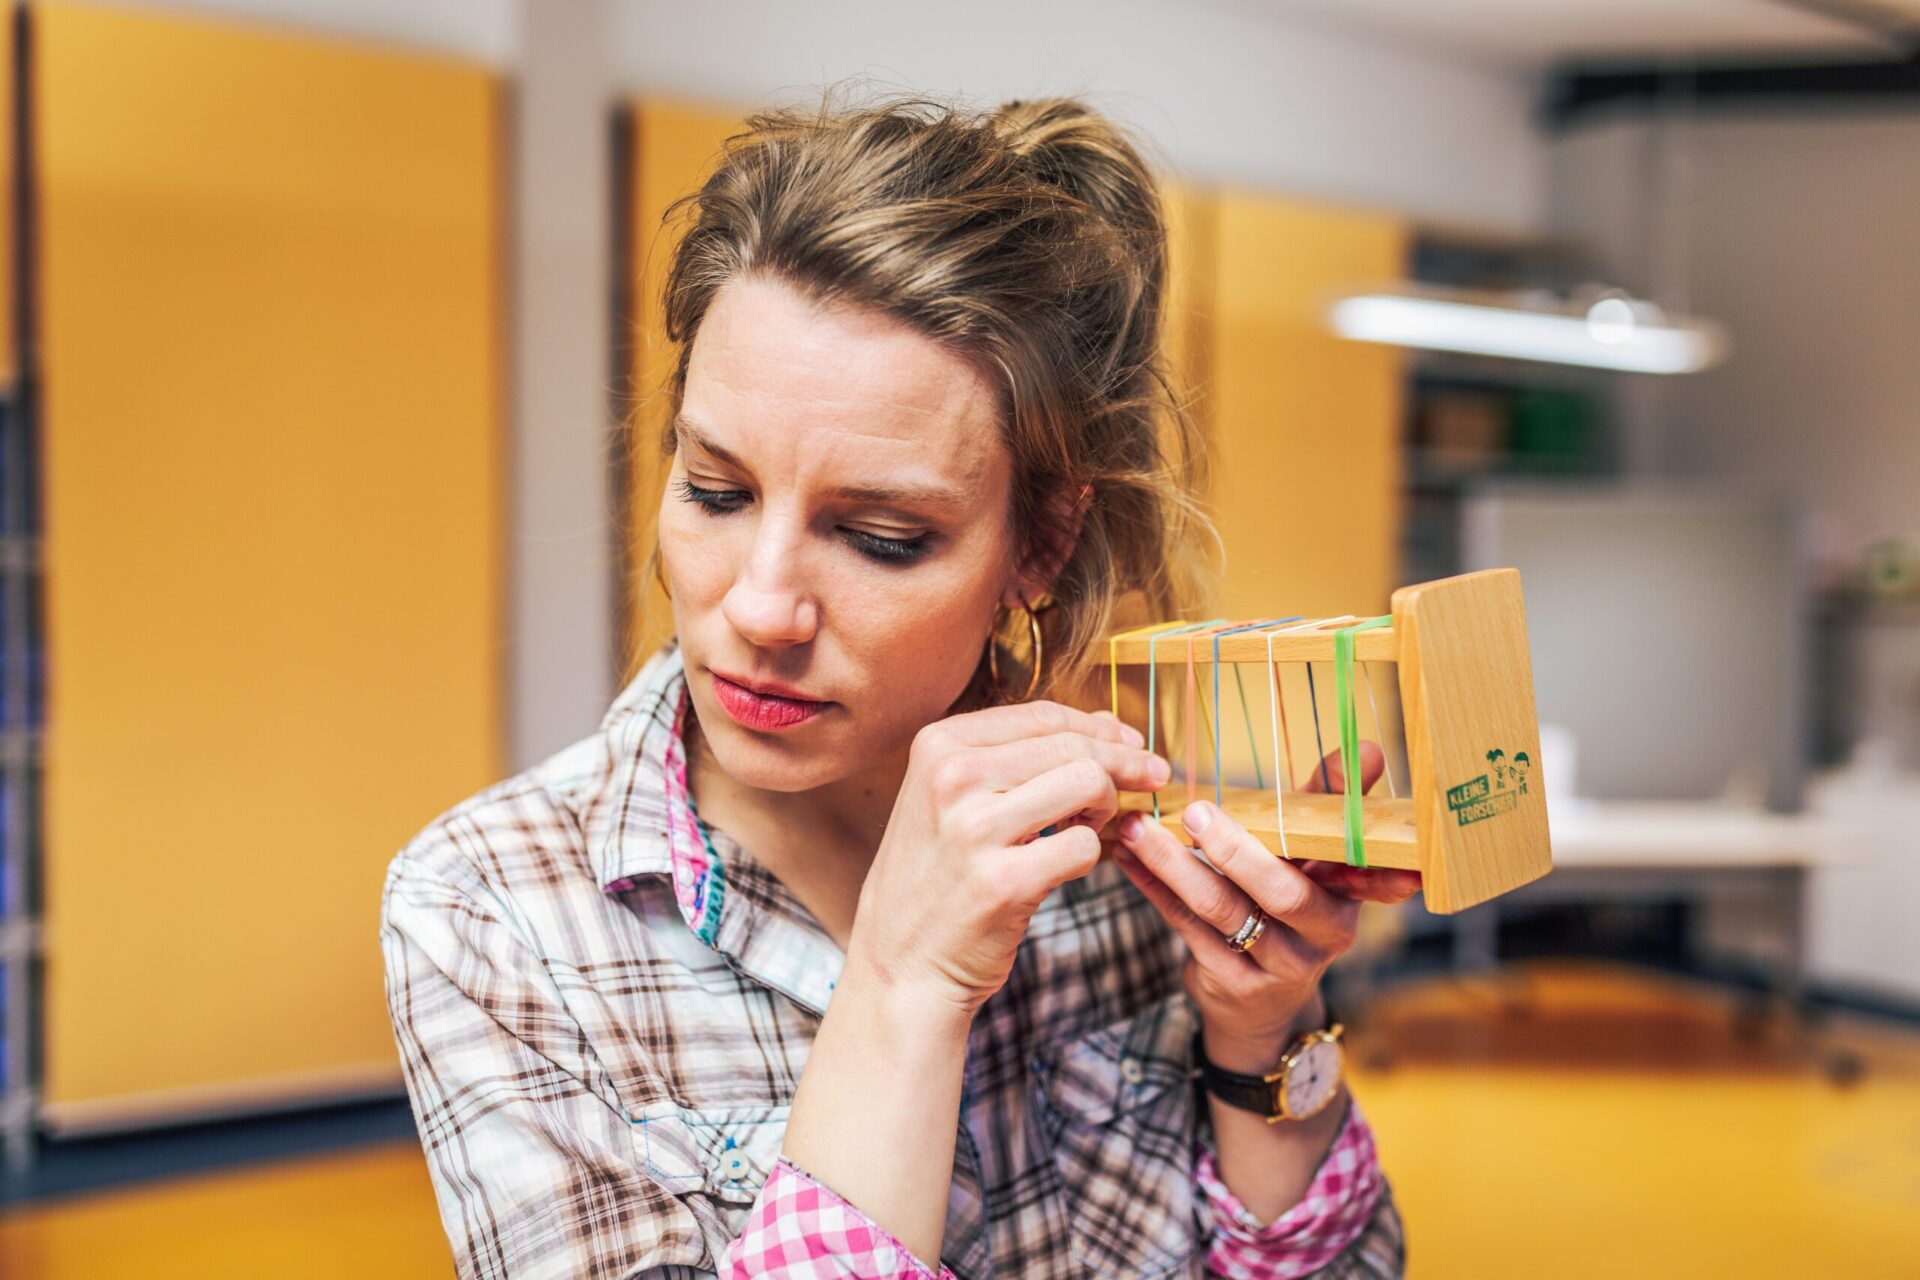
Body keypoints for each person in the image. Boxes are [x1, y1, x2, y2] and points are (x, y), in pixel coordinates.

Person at [382, 87, 1419, 1279]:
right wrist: (900, 982)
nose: (761, 605)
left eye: (879, 537)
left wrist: (1259, 1032)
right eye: (716, 491)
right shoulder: (493, 909)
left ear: (1039, 544)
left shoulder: (1119, 848)